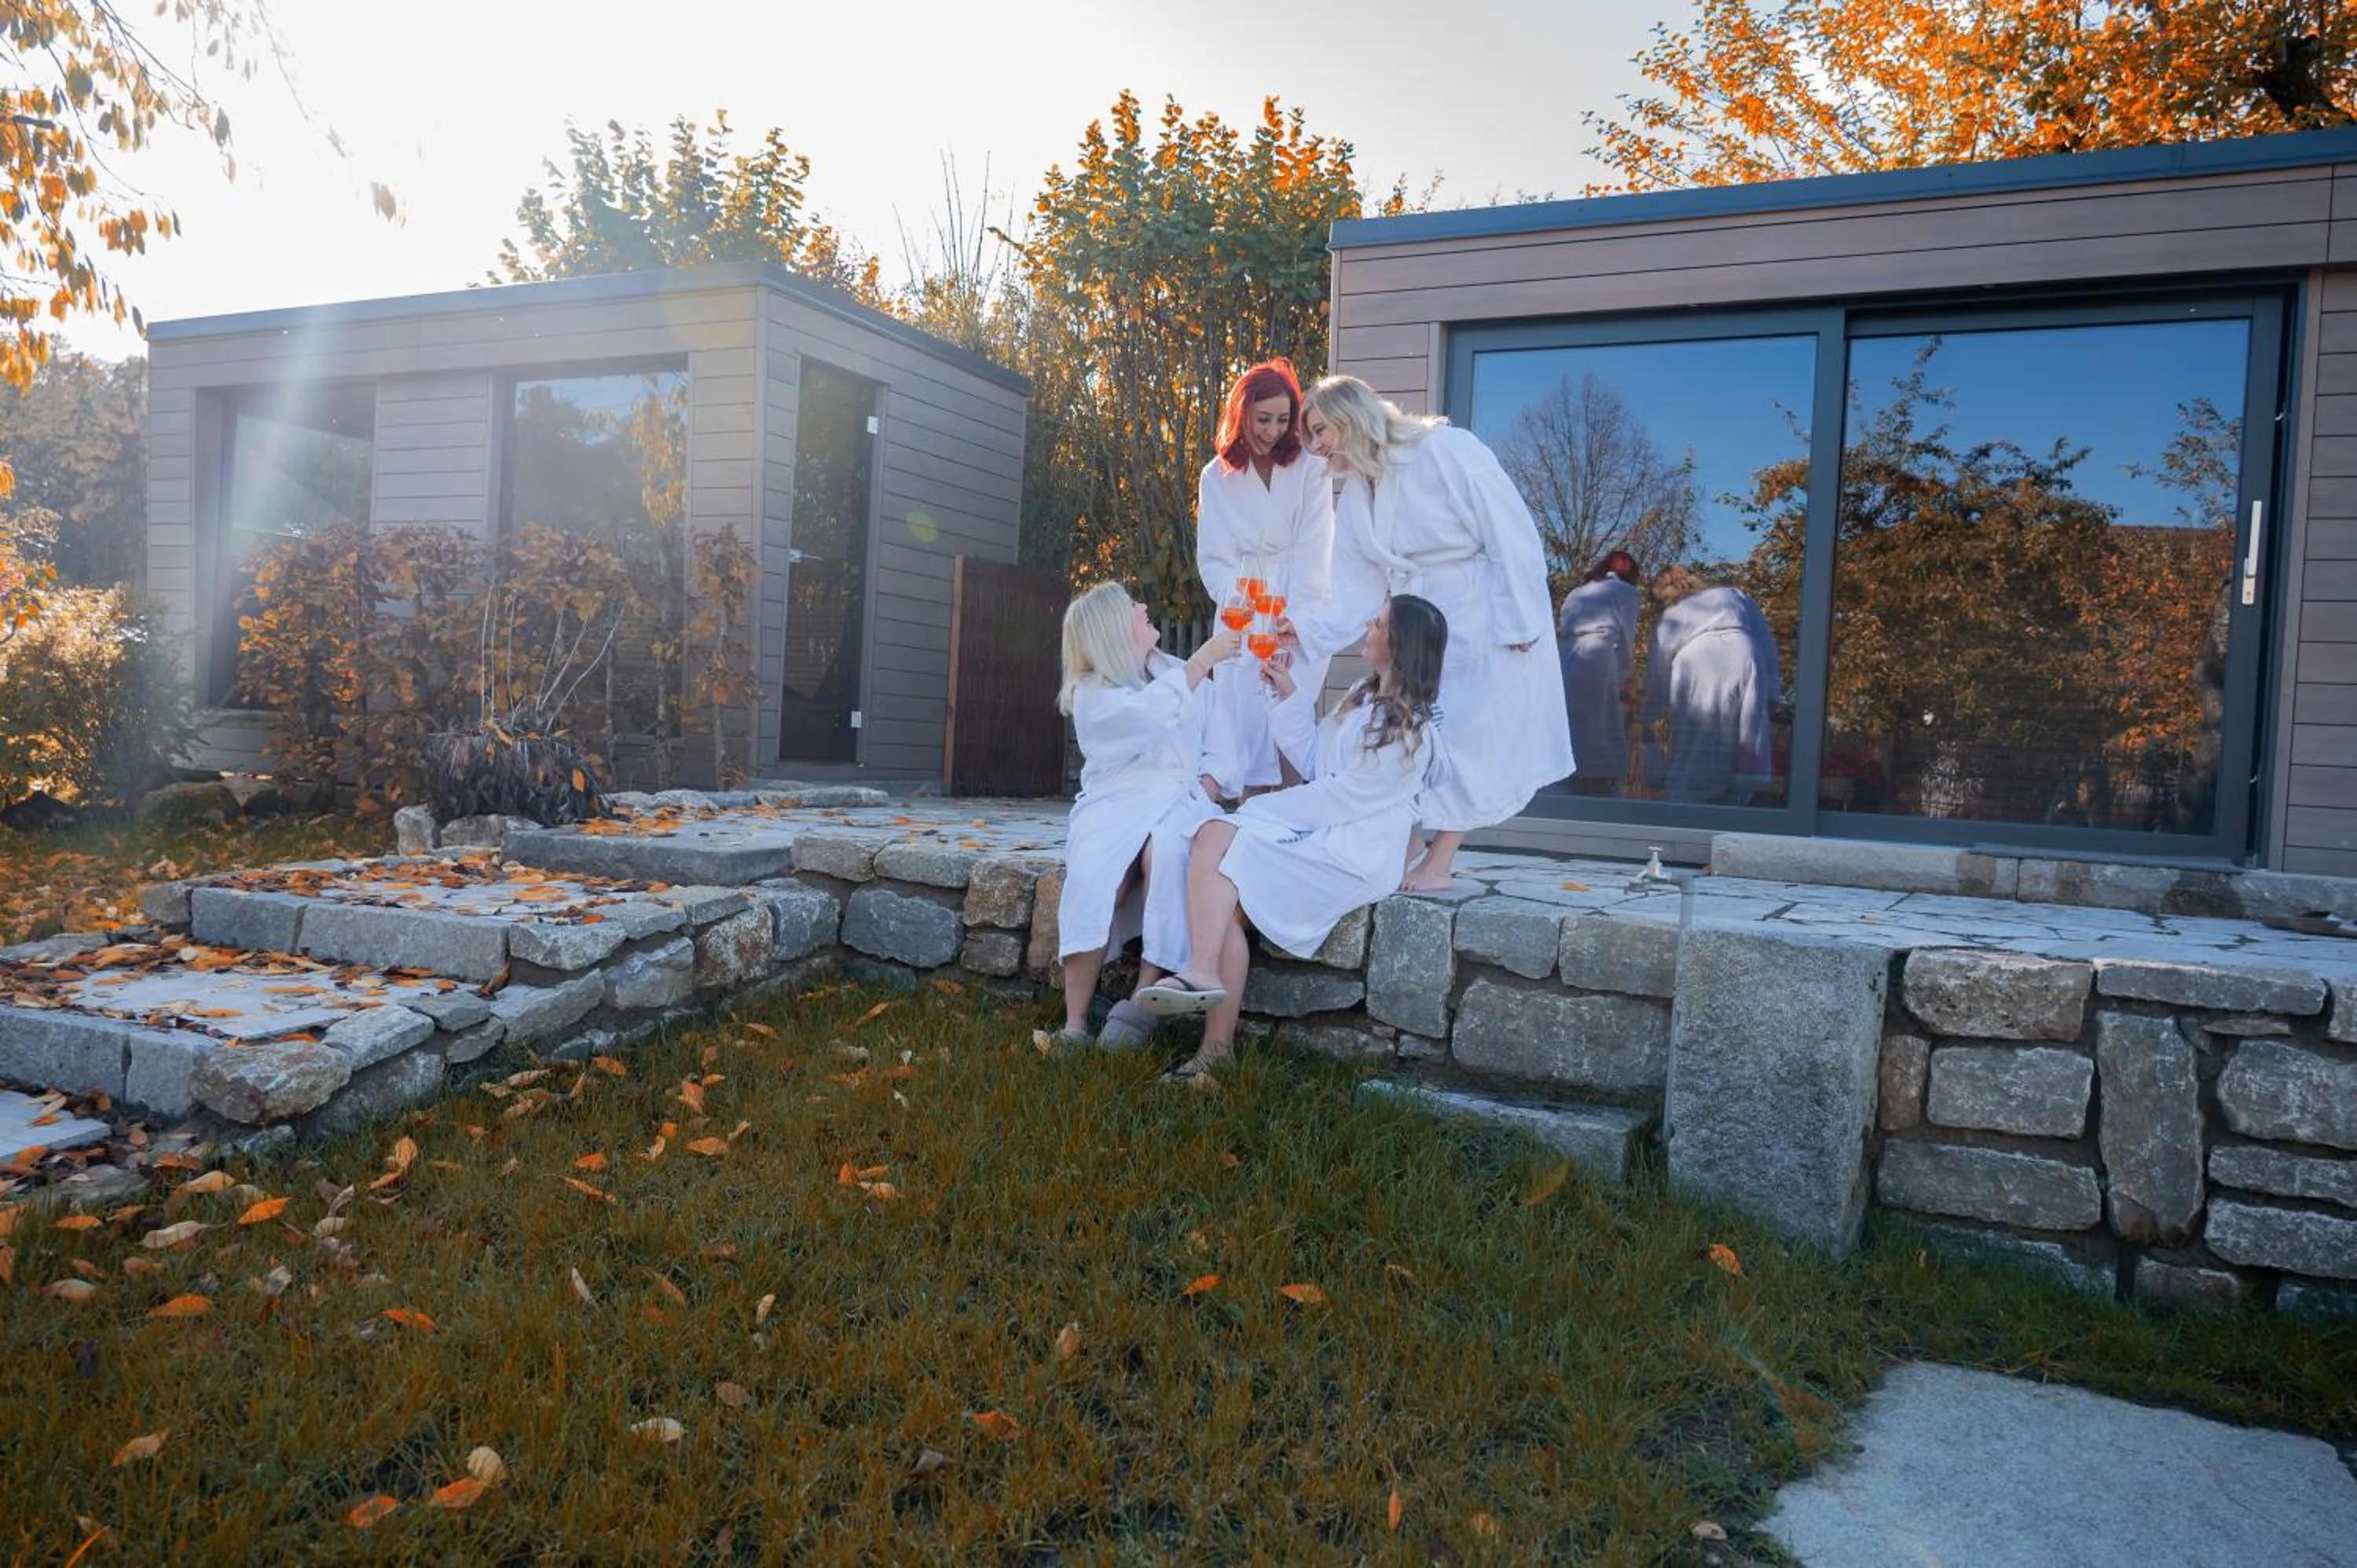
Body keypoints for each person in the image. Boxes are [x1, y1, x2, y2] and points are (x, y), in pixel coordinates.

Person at [1135, 595, 1448, 1080]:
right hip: (1321, 830)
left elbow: (1339, 798)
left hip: (1350, 854)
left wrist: (1260, 809)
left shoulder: (1411, 733)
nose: (1368, 626)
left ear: (1400, 643)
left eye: (1379, 622)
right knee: (1224, 892)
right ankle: (1213, 1049)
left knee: (1216, 837)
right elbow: (1315, 763)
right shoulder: (1361, 700)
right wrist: (1288, 695)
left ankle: (1200, 976)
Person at [1284, 376, 1574, 892]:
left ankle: (1440, 862)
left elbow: (1510, 533)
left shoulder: (1445, 449)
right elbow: (1354, 589)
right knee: (1415, 732)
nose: (1316, 446)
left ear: (1351, 417)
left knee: (1467, 736)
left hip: (1479, 613)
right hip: (1417, 623)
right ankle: (1413, 847)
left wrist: (1519, 618)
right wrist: (1302, 631)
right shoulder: (1356, 494)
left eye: (1321, 430)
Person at [1054, 581, 1240, 1048]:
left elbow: (1223, 748)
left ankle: (1142, 1001)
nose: (1144, 606)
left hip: (1179, 801)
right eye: (1133, 606)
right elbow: (1146, 717)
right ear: (1115, 629)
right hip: (1116, 803)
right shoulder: (1093, 694)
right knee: (1098, 881)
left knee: (1168, 856)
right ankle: (1075, 1023)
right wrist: (1204, 661)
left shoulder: (1176, 673)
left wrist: (1208, 786)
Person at [1194, 358, 1335, 800]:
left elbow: (1317, 548)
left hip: (1299, 606)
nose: (1273, 430)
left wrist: (1297, 624)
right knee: (1246, 727)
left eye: (1283, 419)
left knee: (1291, 719)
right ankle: (1248, 830)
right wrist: (1242, 598)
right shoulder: (1216, 477)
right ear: (1242, 414)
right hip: (1244, 611)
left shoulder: (1310, 468)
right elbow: (1213, 559)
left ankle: (1292, 830)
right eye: (1263, 419)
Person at [1639, 566, 1783, 805]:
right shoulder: (1735, 596)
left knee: (1695, 740)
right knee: (1746, 734)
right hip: (1746, 656)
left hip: (1696, 662)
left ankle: (1686, 803)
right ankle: (1738, 794)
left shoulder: (1672, 617)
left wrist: (1647, 716)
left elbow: (1658, 670)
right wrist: (1772, 692)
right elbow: (1766, 641)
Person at [1558, 551, 1641, 797]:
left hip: (1566, 655)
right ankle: (1598, 780)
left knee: (1572, 721)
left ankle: (1571, 774)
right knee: (1600, 721)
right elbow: (1626, 636)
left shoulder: (1576, 593)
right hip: (1598, 656)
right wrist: (1627, 676)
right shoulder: (1626, 592)